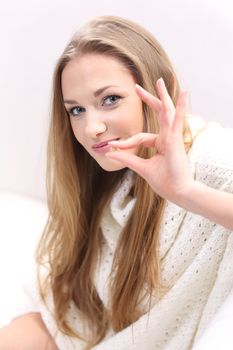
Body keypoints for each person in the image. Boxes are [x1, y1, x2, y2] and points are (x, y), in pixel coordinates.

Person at [0, 15, 233, 350]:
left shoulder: (207, 154)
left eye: (110, 99)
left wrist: (186, 192)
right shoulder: (110, 182)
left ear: (155, 91)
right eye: (76, 110)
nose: (91, 127)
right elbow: (68, 321)